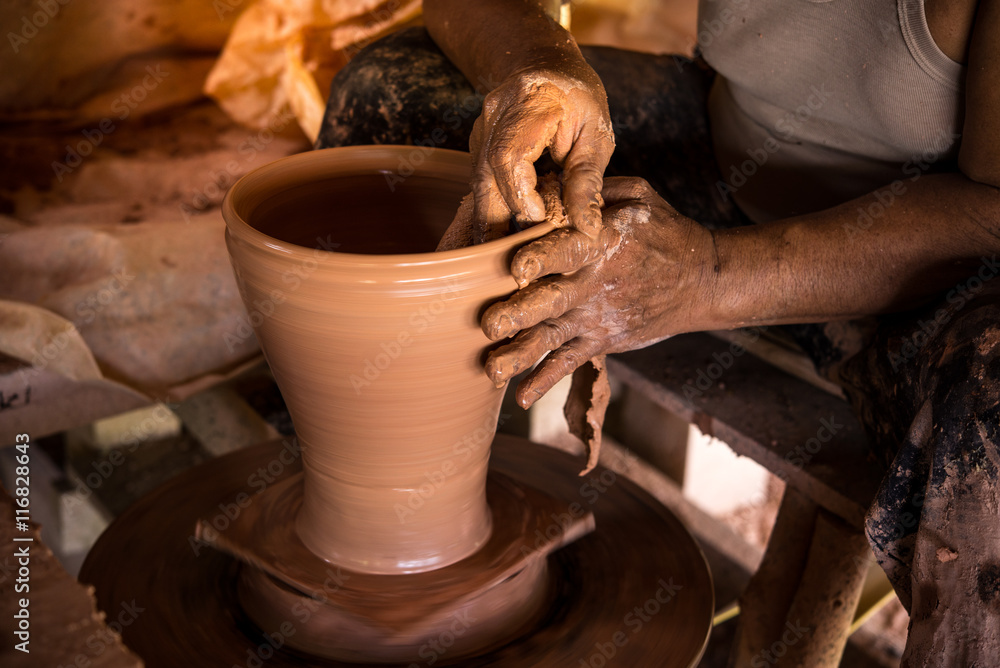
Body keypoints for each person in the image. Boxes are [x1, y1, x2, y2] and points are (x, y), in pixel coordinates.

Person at [317, 1, 1000, 665]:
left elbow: (991, 213)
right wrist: (540, 62)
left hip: (938, 261)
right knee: (386, 99)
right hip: (730, 152)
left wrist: (708, 275)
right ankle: (381, 526)